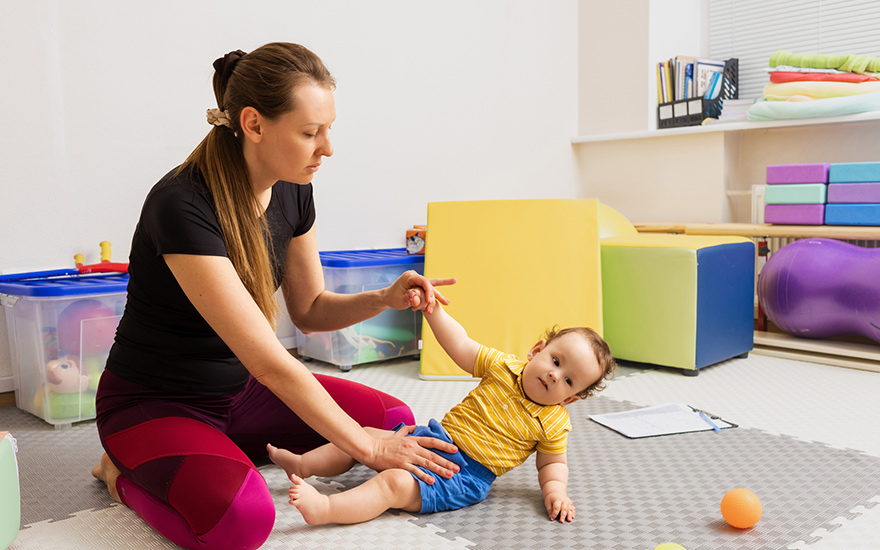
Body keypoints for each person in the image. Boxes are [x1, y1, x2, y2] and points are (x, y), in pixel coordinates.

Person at [90, 42, 460, 550]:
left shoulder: (293, 187)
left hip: (241, 394)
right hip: (155, 403)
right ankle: (121, 476)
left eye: (328, 130)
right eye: (310, 133)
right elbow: (269, 362)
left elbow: (310, 310)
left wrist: (383, 297)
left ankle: (216, 454)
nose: (327, 148)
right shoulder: (181, 204)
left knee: (394, 422)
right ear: (254, 124)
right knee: (242, 521)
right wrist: (368, 450)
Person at [267, 301, 617, 525]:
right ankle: (304, 465)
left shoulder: (554, 424)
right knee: (364, 435)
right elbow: (460, 344)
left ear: (570, 399)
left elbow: (552, 464)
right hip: (432, 439)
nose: (555, 375)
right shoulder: (502, 366)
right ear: (537, 350)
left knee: (393, 484)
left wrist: (555, 491)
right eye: (555, 360)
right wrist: (433, 311)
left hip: (463, 475)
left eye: (568, 380)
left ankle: (326, 510)